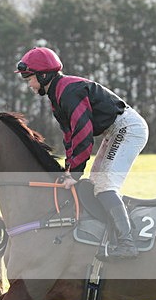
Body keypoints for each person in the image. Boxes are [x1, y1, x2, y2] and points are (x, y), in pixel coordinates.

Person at [16, 46, 148, 260]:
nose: (29, 84)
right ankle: (111, 234)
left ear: (43, 75)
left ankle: (127, 243)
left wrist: (75, 173)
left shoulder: (69, 92)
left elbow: (83, 134)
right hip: (114, 131)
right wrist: (69, 170)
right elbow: (70, 137)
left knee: (105, 186)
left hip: (127, 128)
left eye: (29, 78)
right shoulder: (57, 95)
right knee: (96, 185)